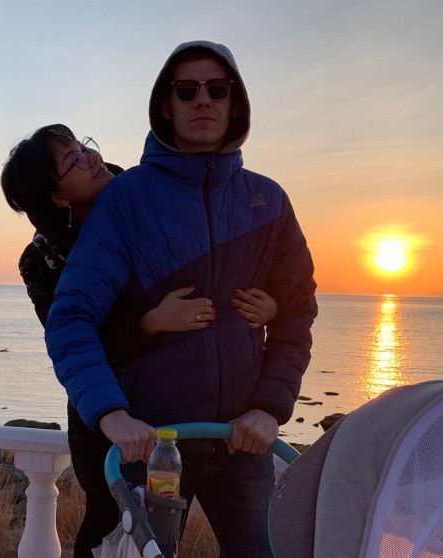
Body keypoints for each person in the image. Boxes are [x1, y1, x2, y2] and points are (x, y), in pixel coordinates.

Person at [46, 40, 317, 557]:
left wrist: (269, 407)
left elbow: (297, 313)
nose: (203, 100)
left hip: (243, 441)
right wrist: (112, 414)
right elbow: (71, 318)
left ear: (236, 102)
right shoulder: (127, 199)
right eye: (187, 90)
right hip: (152, 447)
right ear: (166, 105)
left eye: (218, 89)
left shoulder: (269, 200)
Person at [0, 123, 279, 557]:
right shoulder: (42, 257)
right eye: (73, 160)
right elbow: (76, 339)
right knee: (113, 528)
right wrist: (149, 323)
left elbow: (216, 262)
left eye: (84, 146)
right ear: (56, 197)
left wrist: (273, 304)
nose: (91, 157)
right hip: (110, 414)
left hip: (192, 405)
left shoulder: (145, 197)